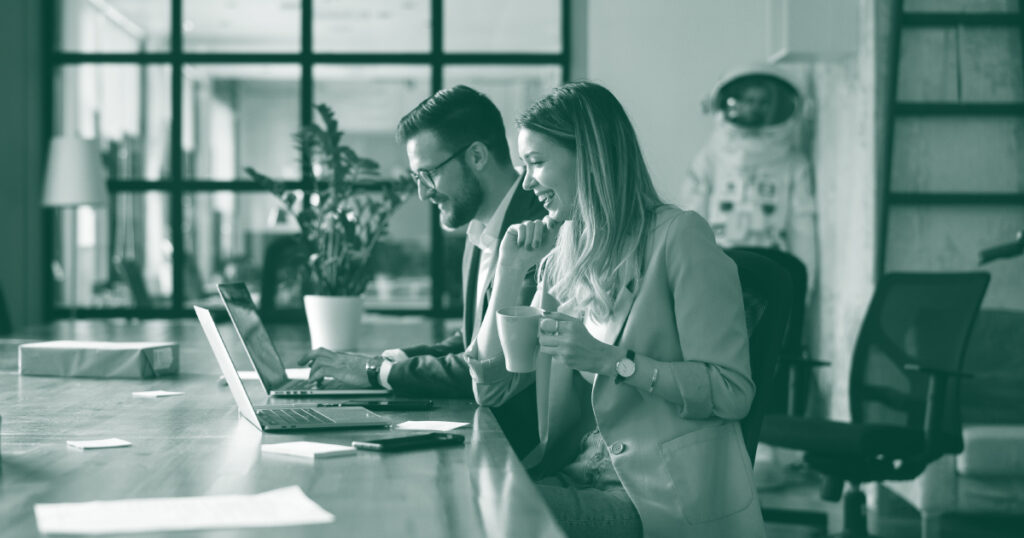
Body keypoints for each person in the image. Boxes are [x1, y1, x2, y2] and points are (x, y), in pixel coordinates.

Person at [467, 82, 766, 537]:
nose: (526, 183)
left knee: (489, 506)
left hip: (654, 497)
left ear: (590, 157)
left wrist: (616, 363)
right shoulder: (563, 256)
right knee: (467, 490)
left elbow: (732, 391)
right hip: (574, 473)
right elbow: (493, 387)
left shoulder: (680, 238)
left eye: (537, 163)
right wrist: (510, 270)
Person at [300, 86, 545, 456]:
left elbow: (487, 362)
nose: (422, 193)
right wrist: (392, 358)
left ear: (477, 155)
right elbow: (473, 338)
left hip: (522, 449)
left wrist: (374, 372)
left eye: (427, 175)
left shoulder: (534, 233)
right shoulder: (480, 231)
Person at [681, 66, 818, 297]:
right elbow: (692, 222)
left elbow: (802, 229)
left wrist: (804, 287)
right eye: (748, 100)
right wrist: (689, 277)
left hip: (773, 266)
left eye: (763, 101)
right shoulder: (711, 158)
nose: (755, 107)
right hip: (719, 261)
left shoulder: (793, 164)